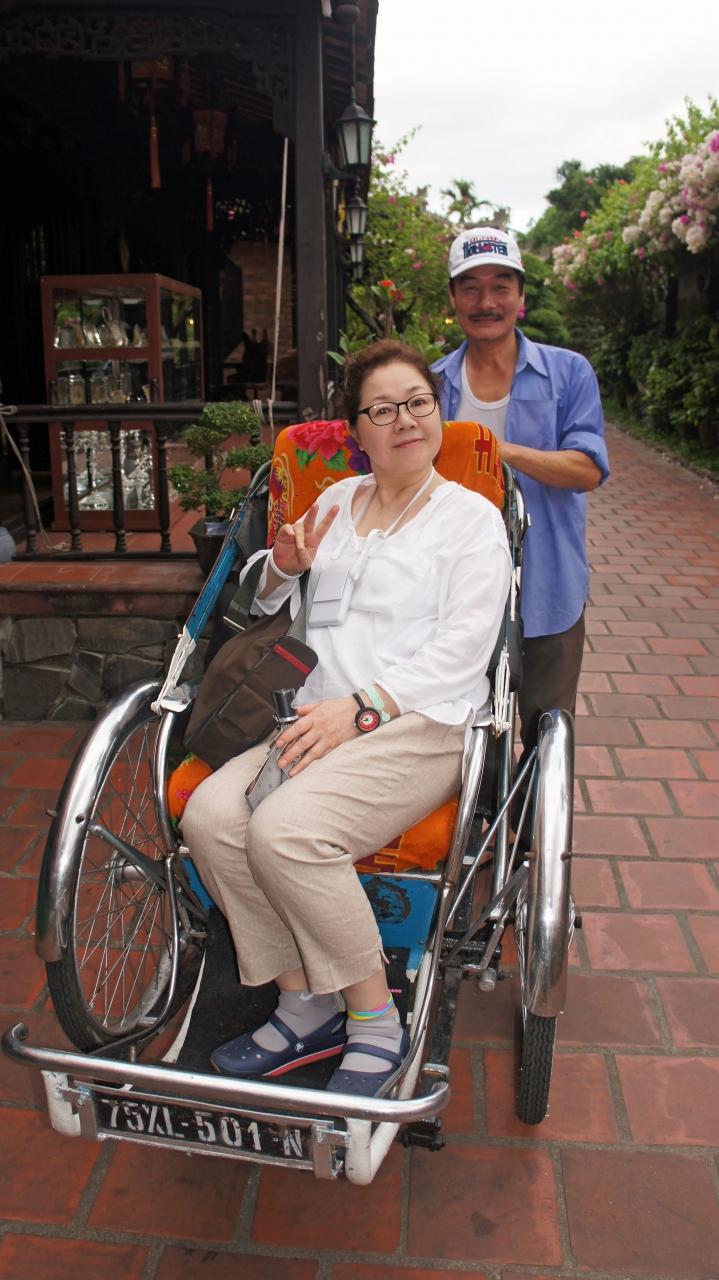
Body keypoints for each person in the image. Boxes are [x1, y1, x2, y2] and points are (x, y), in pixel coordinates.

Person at [182, 339, 511, 1097]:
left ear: (438, 413)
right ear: (357, 431)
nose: (405, 421)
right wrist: (282, 566)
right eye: (382, 410)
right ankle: (304, 1002)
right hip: (311, 717)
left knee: (285, 831)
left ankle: (374, 1020)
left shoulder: (470, 520)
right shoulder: (334, 501)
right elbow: (264, 601)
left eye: (418, 403)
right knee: (210, 819)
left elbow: (465, 650)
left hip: (418, 725)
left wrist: (362, 710)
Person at [432, 227, 609, 750]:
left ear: (521, 295)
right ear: (453, 298)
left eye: (500, 287)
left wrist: (493, 449)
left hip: (548, 584)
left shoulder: (568, 372)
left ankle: (536, 809)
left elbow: (587, 470)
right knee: (461, 736)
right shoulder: (432, 384)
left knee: (546, 736)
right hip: (452, 588)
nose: (486, 302)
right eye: (471, 288)